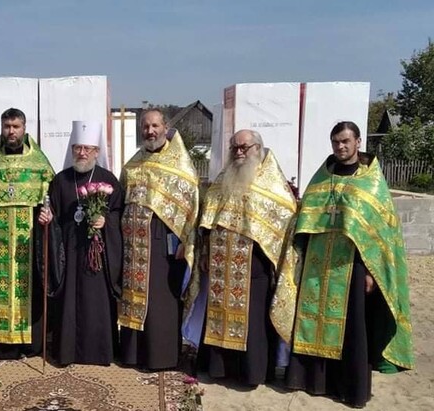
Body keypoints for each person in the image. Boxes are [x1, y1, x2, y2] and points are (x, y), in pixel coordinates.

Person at [285, 121, 414, 408]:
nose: (340, 147)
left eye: (345, 141)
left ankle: (350, 387)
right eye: (336, 142)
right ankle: (315, 381)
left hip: (352, 266)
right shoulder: (322, 177)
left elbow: (380, 235)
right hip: (318, 263)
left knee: (353, 327)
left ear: (358, 142)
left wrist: (371, 272)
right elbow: (305, 218)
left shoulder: (371, 181)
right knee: (312, 321)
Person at [185, 129, 298, 387]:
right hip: (219, 264)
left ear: (257, 148)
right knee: (219, 314)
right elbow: (208, 219)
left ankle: (252, 373)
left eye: (244, 147)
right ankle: (218, 368)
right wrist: (205, 251)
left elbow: (285, 217)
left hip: (254, 265)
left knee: (253, 321)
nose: (238, 152)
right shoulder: (223, 179)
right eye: (234, 147)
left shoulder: (271, 183)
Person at [0, 108, 54, 360]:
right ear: (2, 128)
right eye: (7, 127)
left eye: (16, 126)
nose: (11, 131)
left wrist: (48, 214)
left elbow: (50, 198)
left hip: (29, 240)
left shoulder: (38, 164)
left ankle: (30, 344)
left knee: (31, 289)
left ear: (24, 128)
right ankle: (0, 345)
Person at [118, 109, 199, 370]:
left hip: (163, 241)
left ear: (165, 127)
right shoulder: (133, 164)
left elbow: (192, 207)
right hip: (133, 244)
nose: (150, 131)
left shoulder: (180, 165)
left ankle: (160, 356)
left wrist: (187, 241)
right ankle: (132, 354)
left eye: (155, 126)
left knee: (160, 301)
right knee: (133, 297)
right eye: (145, 126)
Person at [38, 121, 123, 366]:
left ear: (97, 152)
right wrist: (47, 219)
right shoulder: (61, 180)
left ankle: (99, 353)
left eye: (87, 148)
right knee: (68, 303)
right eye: (77, 148)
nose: (82, 153)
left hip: (97, 255)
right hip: (68, 252)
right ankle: (67, 352)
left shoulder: (108, 180)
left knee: (97, 303)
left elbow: (119, 213)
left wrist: (106, 220)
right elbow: (52, 213)